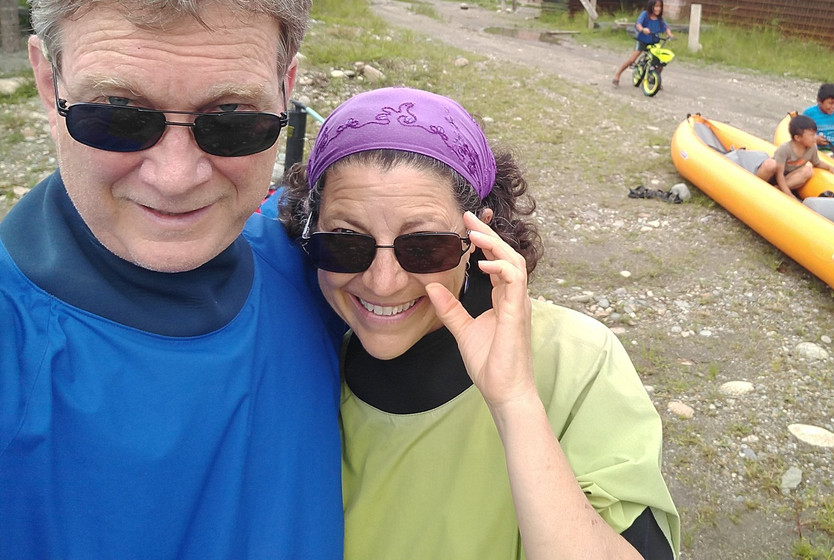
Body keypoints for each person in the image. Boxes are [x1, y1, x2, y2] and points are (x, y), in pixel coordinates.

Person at [0, 0, 345, 559]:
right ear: (48, 82)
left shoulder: (325, 272)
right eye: (118, 116)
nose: (176, 176)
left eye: (231, 121)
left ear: (286, 90)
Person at [277, 86, 680, 560]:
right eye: (345, 241)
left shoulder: (577, 362)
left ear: (477, 234)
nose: (383, 282)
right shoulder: (296, 354)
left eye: (424, 246)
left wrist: (515, 401)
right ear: (310, 228)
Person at [757, 113, 834, 198]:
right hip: (774, 175)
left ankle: (777, 189)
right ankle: (756, 183)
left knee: (808, 170)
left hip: (788, 179)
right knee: (770, 164)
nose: (815, 137)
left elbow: (817, 163)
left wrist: (830, 167)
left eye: (815, 134)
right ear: (798, 138)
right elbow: (779, 175)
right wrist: (788, 194)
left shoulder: (812, 147)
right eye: (811, 135)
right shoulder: (785, 149)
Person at [614, 0, 673, 86]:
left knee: (660, 63)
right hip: (642, 41)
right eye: (656, 6)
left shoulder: (660, 19)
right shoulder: (645, 14)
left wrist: (669, 33)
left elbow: (666, 27)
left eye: (660, 7)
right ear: (651, 6)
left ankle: (655, 79)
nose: (658, 9)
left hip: (654, 43)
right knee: (632, 60)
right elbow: (638, 24)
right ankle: (618, 75)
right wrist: (642, 29)